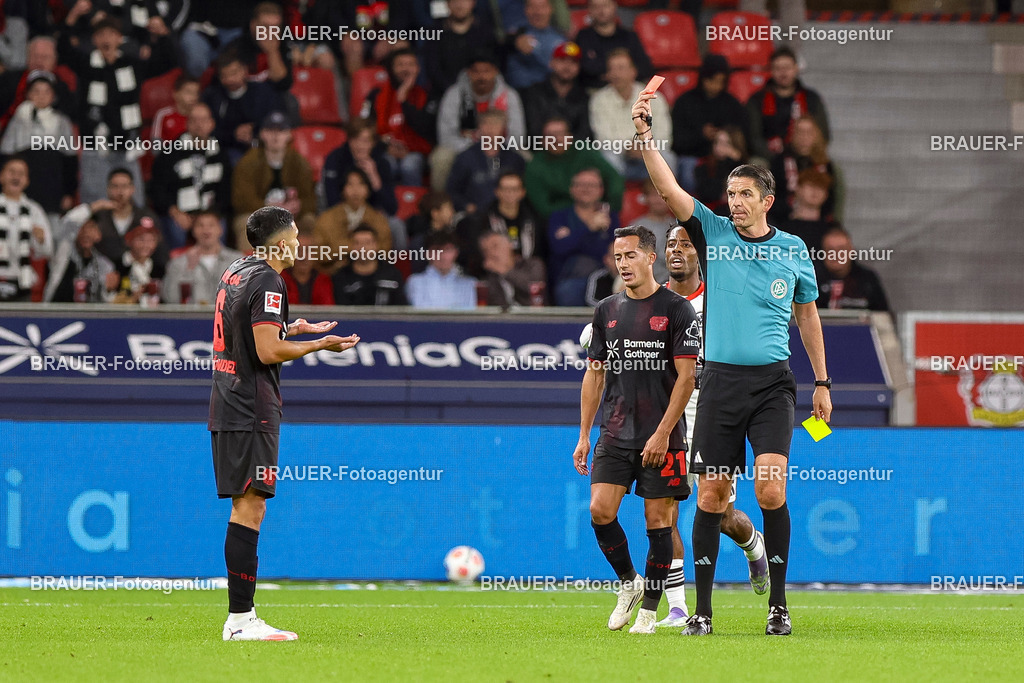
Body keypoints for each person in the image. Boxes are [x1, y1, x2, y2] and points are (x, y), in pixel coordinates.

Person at [633, 88, 832, 637]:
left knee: (771, 490)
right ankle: (701, 612)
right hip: (717, 383)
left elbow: (808, 318)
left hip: (772, 385)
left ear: (768, 199)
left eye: (745, 194)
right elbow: (668, 187)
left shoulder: (793, 249)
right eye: (730, 193)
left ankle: (779, 606)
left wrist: (822, 381)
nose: (735, 202)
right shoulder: (712, 234)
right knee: (713, 495)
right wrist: (646, 137)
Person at [210, 205, 360, 641]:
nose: (301, 244)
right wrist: (319, 344)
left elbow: (247, 331)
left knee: (247, 503)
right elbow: (266, 352)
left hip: (227, 399)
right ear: (279, 244)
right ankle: (241, 620)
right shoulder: (270, 280)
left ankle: (241, 617)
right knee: (250, 505)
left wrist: (290, 328)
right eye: (296, 236)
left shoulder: (237, 270)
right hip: (251, 405)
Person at [573, 224, 699, 634]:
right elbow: (594, 375)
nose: (623, 263)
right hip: (614, 431)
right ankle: (629, 582)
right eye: (618, 256)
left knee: (658, 521)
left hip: (662, 434)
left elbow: (686, 378)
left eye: (630, 255)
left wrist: (663, 432)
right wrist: (583, 435)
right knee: (599, 511)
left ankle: (649, 610)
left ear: (650, 257)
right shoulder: (607, 310)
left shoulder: (678, 309)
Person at [654, 222, 769, 627]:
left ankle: (753, 545)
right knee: (661, 511)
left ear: (700, 254)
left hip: (713, 416)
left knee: (719, 515)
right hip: (665, 420)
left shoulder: (721, 301)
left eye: (685, 243)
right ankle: (679, 608)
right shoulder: (651, 303)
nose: (677, 250)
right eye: (671, 243)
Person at [57, 16, 175, 204]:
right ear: (94, 40)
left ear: (120, 39)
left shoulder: (132, 65)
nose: (106, 39)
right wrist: (71, 20)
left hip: (126, 146)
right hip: (95, 146)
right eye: (101, 34)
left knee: (134, 202)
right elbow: (63, 50)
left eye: (111, 34)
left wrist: (163, 36)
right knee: (95, 204)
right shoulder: (85, 64)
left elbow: (166, 61)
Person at [431, 49, 526, 191]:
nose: (481, 76)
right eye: (476, 72)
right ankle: (440, 206)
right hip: (463, 147)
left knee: (526, 157)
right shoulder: (455, 94)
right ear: (468, 73)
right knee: (440, 158)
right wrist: (475, 149)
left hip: (502, 148)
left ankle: (521, 206)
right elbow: (446, 136)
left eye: (486, 71)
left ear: (495, 72)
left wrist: (496, 148)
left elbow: (518, 137)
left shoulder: (509, 95)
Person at [149, 102, 232, 250]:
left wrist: (211, 216)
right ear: (187, 124)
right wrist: (175, 211)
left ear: (211, 124)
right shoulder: (170, 152)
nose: (199, 125)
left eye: (203, 120)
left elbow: (226, 190)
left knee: (220, 227)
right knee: (175, 229)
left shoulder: (220, 153)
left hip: (210, 212)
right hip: (180, 212)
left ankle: (221, 270)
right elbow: (157, 188)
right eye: (194, 120)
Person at [231, 112, 317, 251]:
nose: (275, 136)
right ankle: (250, 270)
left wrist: (299, 205)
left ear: (289, 135)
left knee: (310, 221)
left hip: (292, 217)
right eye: (270, 131)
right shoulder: (247, 163)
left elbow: (310, 199)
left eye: (281, 131)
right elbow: (241, 200)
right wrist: (267, 208)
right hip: (257, 215)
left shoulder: (300, 163)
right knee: (245, 224)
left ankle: (306, 269)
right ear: (262, 134)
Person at [0, 70, 77, 218]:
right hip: (26, 183)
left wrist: (68, 192)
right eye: (36, 91)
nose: (41, 96)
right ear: (28, 94)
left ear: (53, 95)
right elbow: (5, 155)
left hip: (51, 183)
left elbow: (70, 161)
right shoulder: (19, 119)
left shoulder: (61, 122)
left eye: (46, 92)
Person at [589, 49, 674, 182]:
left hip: (649, 153)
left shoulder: (652, 97)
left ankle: (665, 201)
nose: (615, 73)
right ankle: (617, 200)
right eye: (611, 69)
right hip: (619, 155)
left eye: (621, 68)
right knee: (607, 158)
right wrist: (628, 147)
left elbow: (665, 134)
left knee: (669, 158)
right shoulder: (599, 100)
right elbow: (603, 138)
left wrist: (643, 147)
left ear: (633, 71)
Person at [359, 47, 436, 186]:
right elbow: (364, 128)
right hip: (384, 149)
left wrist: (404, 101)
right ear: (391, 68)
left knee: (409, 165)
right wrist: (385, 146)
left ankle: (412, 205)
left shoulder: (428, 96)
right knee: (387, 164)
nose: (405, 69)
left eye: (410, 64)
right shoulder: (376, 95)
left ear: (418, 68)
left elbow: (427, 129)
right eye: (400, 64)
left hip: (417, 152)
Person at [671, 55, 748, 194]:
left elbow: (741, 138)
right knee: (689, 174)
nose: (715, 86)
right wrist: (701, 135)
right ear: (703, 78)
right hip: (693, 155)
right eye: (711, 80)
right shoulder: (685, 102)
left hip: (725, 156)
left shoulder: (732, 104)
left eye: (720, 81)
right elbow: (677, 141)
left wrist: (724, 138)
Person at [60, 168, 167, 269]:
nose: (120, 192)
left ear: (132, 189)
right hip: (101, 277)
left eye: (124, 186)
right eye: (115, 186)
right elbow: (66, 224)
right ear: (108, 189)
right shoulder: (98, 216)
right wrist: (95, 206)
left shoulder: (147, 216)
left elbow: (161, 255)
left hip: (139, 279)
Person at [524, 116, 623, 220]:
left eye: (560, 134)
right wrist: (581, 208)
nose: (556, 139)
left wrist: (609, 207)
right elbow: (543, 207)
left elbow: (614, 178)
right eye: (550, 135)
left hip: (598, 213)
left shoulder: (585, 152)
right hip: (558, 219)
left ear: (570, 137)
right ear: (542, 140)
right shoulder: (535, 166)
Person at [547, 168, 618, 306]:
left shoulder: (610, 216)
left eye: (591, 185)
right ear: (572, 189)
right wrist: (588, 228)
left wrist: (571, 237)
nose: (586, 189)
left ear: (601, 190)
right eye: (581, 185)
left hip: (602, 279)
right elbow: (559, 248)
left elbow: (609, 251)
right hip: (569, 281)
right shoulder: (559, 216)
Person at [746, 47, 831, 162]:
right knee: (756, 164)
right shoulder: (757, 100)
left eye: (787, 67)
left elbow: (823, 134)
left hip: (805, 156)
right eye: (778, 68)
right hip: (770, 158)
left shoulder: (811, 98)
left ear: (796, 68)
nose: (783, 73)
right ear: (771, 70)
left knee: (827, 168)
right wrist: (775, 158)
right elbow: (753, 138)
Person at [203, 49, 286, 164]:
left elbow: (277, 119)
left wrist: (255, 129)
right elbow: (209, 130)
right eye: (224, 76)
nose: (230, 80)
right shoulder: (213, 97)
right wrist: (234, 134)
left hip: (264, 144)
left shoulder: (262, 92)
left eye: (234, 73)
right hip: (228, 149)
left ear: (245, 70)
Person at [455, 170, 543, 278]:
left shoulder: (534, 220)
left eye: (514, 189)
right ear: (497, 192)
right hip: (493, 277)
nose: (510, 193)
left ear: (522, 192)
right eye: (505, 189)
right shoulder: (482, 221)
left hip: (526, 277)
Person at [446, 110, 526, 214]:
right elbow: (452, 191)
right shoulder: (465, 158)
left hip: (508, 215)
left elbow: (523, 190)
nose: (490, 128)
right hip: (475, 215)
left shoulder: (514, 159)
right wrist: (467, 206)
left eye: (496, 124)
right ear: (479, 127)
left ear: (503, 129)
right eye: (486, 123)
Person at [314, 169, 393, 273]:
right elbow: (318, 254)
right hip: (334, 273)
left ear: (368, 189)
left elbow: (386, 250)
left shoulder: (379, 219)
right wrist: (353, 247)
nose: (356, 190)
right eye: (350, 184)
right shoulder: (326, 219)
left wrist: (351, 249)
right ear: (342, 189)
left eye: (361, 184)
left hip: (371, 273)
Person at [768, 116, 842, 224]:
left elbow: (832, 198)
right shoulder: (779, 161)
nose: (804, 137)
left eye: (809, 132)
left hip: (819, 222)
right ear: (792, 134)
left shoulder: (825, 164)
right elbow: (773, 195)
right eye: (800, 132)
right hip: (785, 221)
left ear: (816, 135)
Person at [0, 157, 53, 301]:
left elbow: (47, 251)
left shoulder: (34, 210)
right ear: (1, 176)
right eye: (12, 172)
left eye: (21, 173)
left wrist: (40, 239)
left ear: (27, 180)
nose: (16, 176)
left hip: (21, 279)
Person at [161, 211, 243, 304]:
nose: (206, 230)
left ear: (220, 229)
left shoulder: (237, 261)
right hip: (193, 316)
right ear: (193, 231)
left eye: (211, 225)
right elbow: (170, 298)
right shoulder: (179, 263)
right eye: (200, 225)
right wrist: (188, 270)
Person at [423, 0, 500, 98]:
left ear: (473, 3)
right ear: (447, 4)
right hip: (443, 94)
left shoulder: (486, 32)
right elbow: (433, 69)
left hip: (482, 95)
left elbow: (494, 66)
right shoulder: (435, 32)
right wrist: (453, 92)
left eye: (464, 0)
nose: (459, 5)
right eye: (454, 1)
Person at [322, 119, 397, 216]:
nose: (360, 146)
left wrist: (374, 178)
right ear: (349, 141)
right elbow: (332, 198)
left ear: (373, 143)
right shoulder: (335, 159)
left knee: (396, 225)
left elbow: (392, 208)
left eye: (365, 141)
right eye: (356, 140)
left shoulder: (382, 163)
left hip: (372, 215)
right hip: (342, 214)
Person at [519, 41, 591, 140]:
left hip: (573, 152)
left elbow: (584, 134)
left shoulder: (584, 97)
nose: (567, 66)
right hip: (540, 151)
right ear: (551, 63)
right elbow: (533, 131)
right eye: (562, 60)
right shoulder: (534, 92)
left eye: (573, 62)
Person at [574, 0, 653, 90]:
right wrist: (621, 71)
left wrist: (605, 74)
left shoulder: (629, 36)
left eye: (605, 5)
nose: (601, 11)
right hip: (594, 90)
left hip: (629, 88)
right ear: (589, 10)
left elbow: (645, 67)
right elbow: (583, 69)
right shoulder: (583, 36)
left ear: (614, 6)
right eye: (595, 7)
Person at [815, 226, 890, 312]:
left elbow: (882, 317)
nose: (836, 255)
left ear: (851, 250)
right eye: (830, 250)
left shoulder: (867, 279)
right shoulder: (811, 281)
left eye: (841, 249)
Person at [331, 224, 407, 306]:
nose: (362, 248)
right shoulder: (340, 277)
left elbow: (401, 310)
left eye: (367, 243)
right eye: (357, 243)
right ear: (351, 246)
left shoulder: (392, 275)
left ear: (376, 245)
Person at [44, 219, 118, 303]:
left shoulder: (105, 266)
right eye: (81, 227)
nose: (85, 232)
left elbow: (107, 302)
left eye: (91, 228)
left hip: (90, 314)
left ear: (98, 235)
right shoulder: (62, 253)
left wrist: (109, 290)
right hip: (59, 311)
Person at [504, 0, 566, 90]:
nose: (537, 12)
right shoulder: (515, 35)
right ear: (525, 10)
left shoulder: (561, 39)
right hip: (521, 92)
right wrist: (514, 41)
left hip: (550, 94)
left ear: (551, 9)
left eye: (542, 7)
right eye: (532, 7)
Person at [406, 231, 477, 309]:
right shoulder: (415, 282)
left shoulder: (470, 284)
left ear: (456, 252)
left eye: (447, 250)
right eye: (437, 250)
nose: (443, 256)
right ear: (427, 253)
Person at [478, 231, 546, 307]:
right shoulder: (488, 280)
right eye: (486, 250)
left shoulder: (533, 264)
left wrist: (505, 271)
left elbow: (534, 290)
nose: (491, 253)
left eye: (495, 246)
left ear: (510, 245)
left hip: (534, 317)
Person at [693, 127, 748, 216]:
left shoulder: (745, 168)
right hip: (711, 214)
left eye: (726, 144)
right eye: (717, 142)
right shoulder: (703, 166)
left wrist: (735, 162)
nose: (719, 147)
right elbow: (709, 193)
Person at [777, 168, 833, 252]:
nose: (815, 190)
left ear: (826, 194)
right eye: (810, 185)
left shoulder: (832, 230)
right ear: (798, 189)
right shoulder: (783, 230)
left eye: (821, 187)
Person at [112, 223, 165, 304]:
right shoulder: (116, 266)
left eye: (151, 240)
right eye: (141, 239)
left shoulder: (159, 269)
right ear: (129, 240)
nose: (146, 245)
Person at [282, 232, 335, 305]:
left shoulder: (324, 281)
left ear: (315, 254)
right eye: (298, 250)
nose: (302, 256)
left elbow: (328, 313)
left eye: (308, 250)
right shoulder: (280, 280)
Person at [151, 73, 200, 143]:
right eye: (189, 92)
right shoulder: (163, 115)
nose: (194, 97)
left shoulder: (201, 115)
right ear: (175, 94)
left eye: (196, 93)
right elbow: (156, 146)